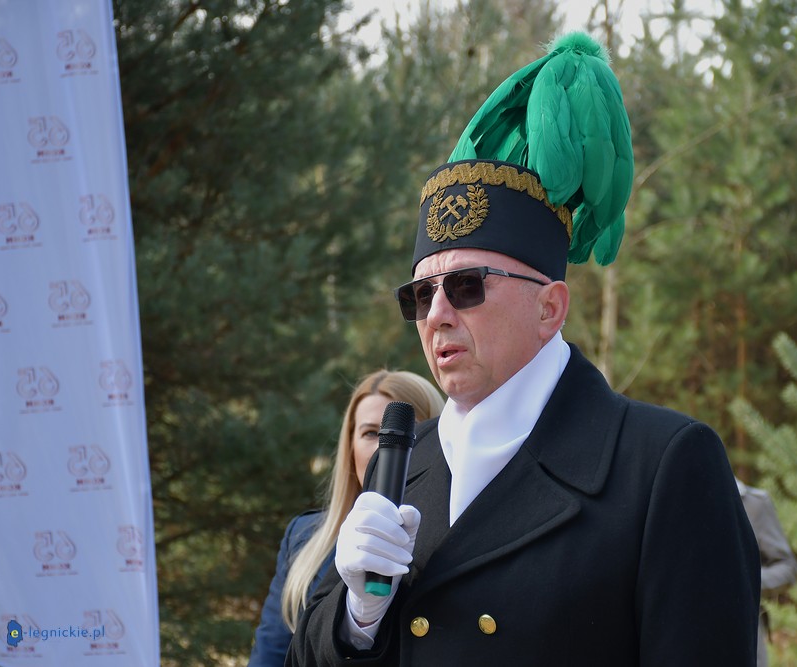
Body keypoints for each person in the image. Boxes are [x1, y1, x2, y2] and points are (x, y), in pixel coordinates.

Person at [287, 31, 760, 666]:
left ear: (549, 308)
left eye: (466, 286)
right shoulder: (405, 463)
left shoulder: (662, 464)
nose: (437, 314)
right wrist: (356, 620)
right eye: (421, 295)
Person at [248, 370, 444, 667]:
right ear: (349, 447)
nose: (382, 449)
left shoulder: (455, 542)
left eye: (408, 433)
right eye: (370, 433)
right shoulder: (304, 537)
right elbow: (271, 654)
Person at [737, 477, 797, 667]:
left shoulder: (754, 503)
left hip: (742, 632)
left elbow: (788, 567)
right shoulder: (674, 498)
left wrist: (743, 581)